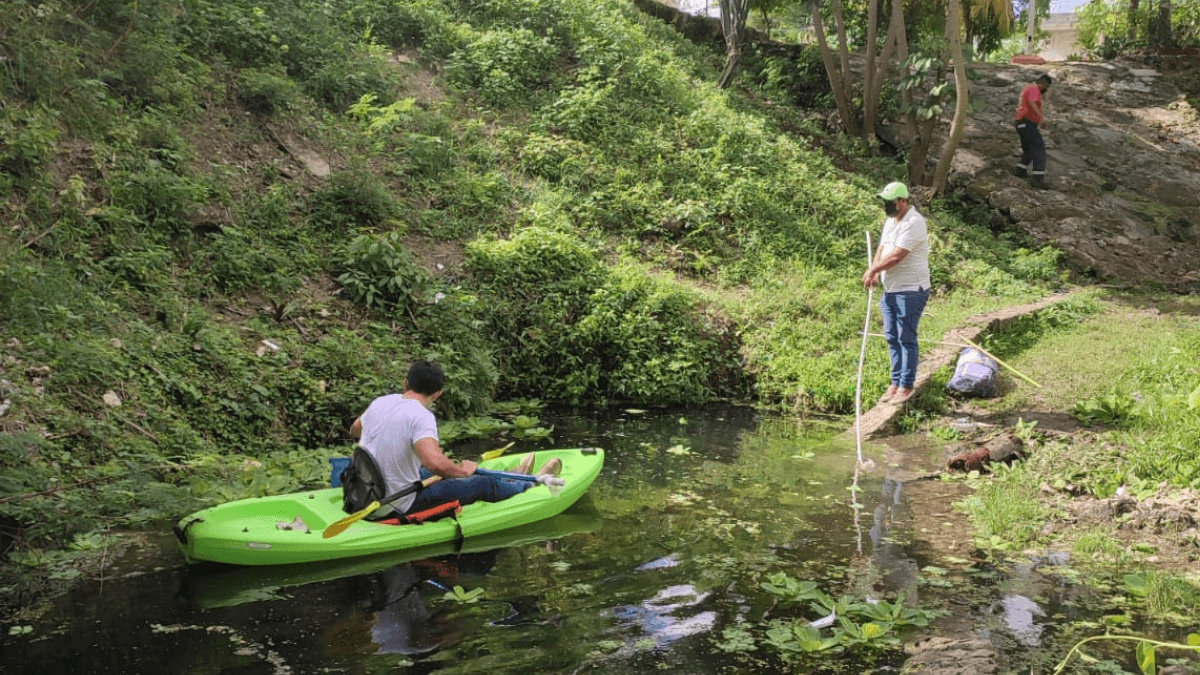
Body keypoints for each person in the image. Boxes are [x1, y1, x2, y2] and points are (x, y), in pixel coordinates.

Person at [348, 360, 560, 517]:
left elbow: (355, 430)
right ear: (437, 394)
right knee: (482, 483)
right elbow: (434, 463)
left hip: (364, 495)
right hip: (398, 504)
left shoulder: (382, 402)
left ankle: (508, 478)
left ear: (406, 383)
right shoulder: (421, 415)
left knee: (427, 472)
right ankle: (525, 485)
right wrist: (462, 472)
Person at [862, 182, 931, 405]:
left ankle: (906, 385)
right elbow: (882, 250)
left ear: (903, 201)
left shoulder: (914, 222)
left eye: (890, 203)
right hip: (891, 288)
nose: (887, 207)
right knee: (892, 336)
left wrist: (873, 269)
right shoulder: (891, 221)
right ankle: (895, 382)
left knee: (905, 336)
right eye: (885, 202)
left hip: (911, 289)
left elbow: (896, 256)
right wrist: (873, 271)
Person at [1012, 73, 1052, 190]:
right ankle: (1037, 179)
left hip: (1021, 123)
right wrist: (1041, 119)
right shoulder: (1034, 88)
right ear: (1043, 83)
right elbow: (1032, 103)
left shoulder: (1028, 89)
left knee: (1029, 150)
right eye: (1047, 87)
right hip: (1026, 123)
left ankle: (1020, 170)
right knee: (1039, 149)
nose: (1046, 90)